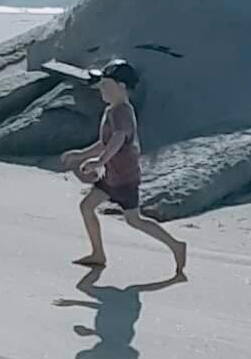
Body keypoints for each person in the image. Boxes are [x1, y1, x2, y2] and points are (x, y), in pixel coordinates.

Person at [62, 60, 188, 277]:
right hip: (112, 175)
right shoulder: (112, 110)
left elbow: (117, 140)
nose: (101, 89)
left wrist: (99, 161)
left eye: (106, 85)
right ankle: (98, 254)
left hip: (123, 177)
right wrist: (81, 155)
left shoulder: (121, 111)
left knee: (134, 220)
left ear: (121, 86)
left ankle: (176, 245)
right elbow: (105, 142)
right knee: (87, 206)